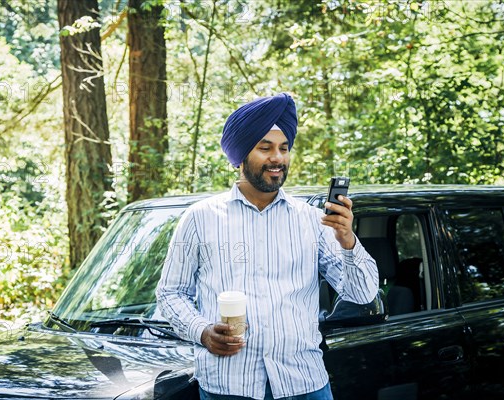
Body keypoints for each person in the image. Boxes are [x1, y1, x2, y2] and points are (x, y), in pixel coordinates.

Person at [156, 93, 379, 400]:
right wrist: (201, 331)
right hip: (228, 387)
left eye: (284, 149)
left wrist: (347, 241)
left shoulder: (313, 221)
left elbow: (363, 293)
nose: (278, 158)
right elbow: (170, 293)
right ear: (241, 154)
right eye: (265, 148)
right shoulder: (200, 218)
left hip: (304, 385)